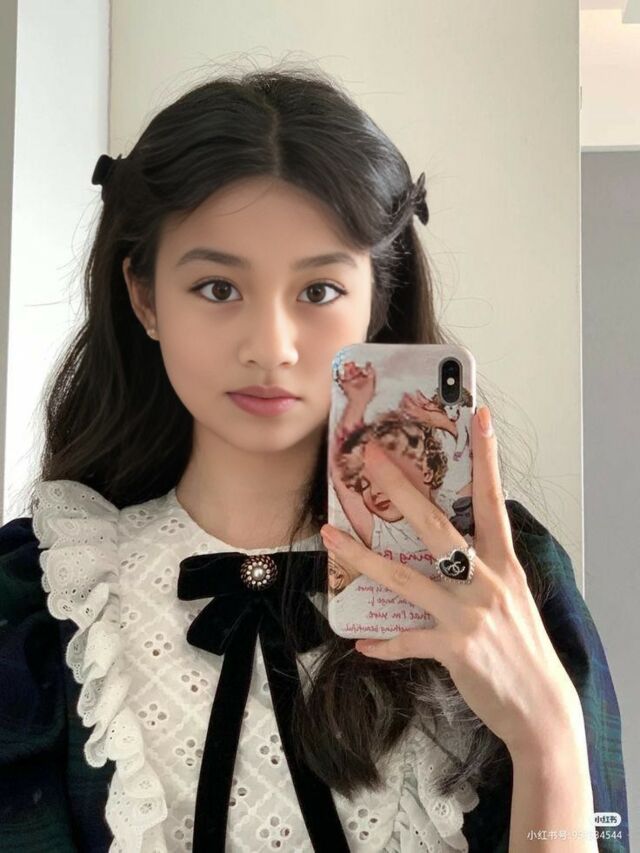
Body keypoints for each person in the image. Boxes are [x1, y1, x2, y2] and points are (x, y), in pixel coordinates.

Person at [0, 64, 629, 852]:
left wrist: (548, 735)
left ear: (377, 300)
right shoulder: (44, 600)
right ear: (145, 297)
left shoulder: (503, 579)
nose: (271, 347)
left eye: (320, 290)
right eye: (217, 288)